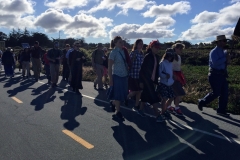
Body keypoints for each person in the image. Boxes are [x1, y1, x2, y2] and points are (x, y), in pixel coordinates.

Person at [198, 35, 231, 117]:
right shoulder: (214, 51)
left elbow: (226, 63)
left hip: (222, 74)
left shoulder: (224, 51)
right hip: (214, 74)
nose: (225, 42)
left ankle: (221, 110)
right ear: (218, 42)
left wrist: (228, 59)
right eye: (223, 41)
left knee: (224, 93)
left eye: (225, 41)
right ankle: (202, 101)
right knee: (216, 93)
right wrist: (225, 58)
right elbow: (215, 63)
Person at [138, 40, 163, 122]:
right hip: (146, 80)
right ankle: (157, 115)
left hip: (152, 81)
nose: (157, 49)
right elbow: (142, 70)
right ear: (151, 47)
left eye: (158, 48)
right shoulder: (148, 56)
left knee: (145, 96)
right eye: (156, 47)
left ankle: (140, 110)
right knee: (153, 98)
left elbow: (156, 70)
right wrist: (141, 81)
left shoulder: (156, 57)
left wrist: (156, 81)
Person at [107, 36, 129, 120]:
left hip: (124, 75)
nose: (122, 43)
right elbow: (109, 67)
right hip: (117, 75)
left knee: (123, 94)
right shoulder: (113, 52)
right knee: (118, 95)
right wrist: (110, 78)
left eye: (122, 41)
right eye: (120, 42)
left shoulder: (124, 51)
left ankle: (113, 103)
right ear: (115, 43)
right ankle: (118, 111)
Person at [125, 39, 144, 111]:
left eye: (142, 44)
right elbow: (129, 62)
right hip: (133, 75)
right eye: (140, 44)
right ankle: (127, 97)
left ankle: (136, 105)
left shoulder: (142, 53)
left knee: (139, 91)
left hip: (139, 75)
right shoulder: (133, 53)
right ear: (136, 44)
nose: (141, 45)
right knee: (135, 91)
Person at [167, 43, 186, 116]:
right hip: (173, 75)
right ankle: (176, 108)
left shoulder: (179, 57)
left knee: (174, 94)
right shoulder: (172, 56)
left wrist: (182, 75)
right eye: (180, 49)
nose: (181, 50)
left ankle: (168, 106)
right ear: (176, 48)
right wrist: (173, 75)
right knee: (178, 92)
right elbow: (170, 67)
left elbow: (179, 67)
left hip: (178, 75)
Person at [157, 48, 175, 119]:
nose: (170, 57)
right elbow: (160, 73)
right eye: (169, 56)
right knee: (164, 98)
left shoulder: (170, 63)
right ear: (166, 55)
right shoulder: (162, 63)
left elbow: (171, 71)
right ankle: (163, 111)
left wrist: (173, 76)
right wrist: (165, 76)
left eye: (171, 56)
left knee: (171, 97)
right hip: (163, 83)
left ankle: (165, 109)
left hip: (170, 83)